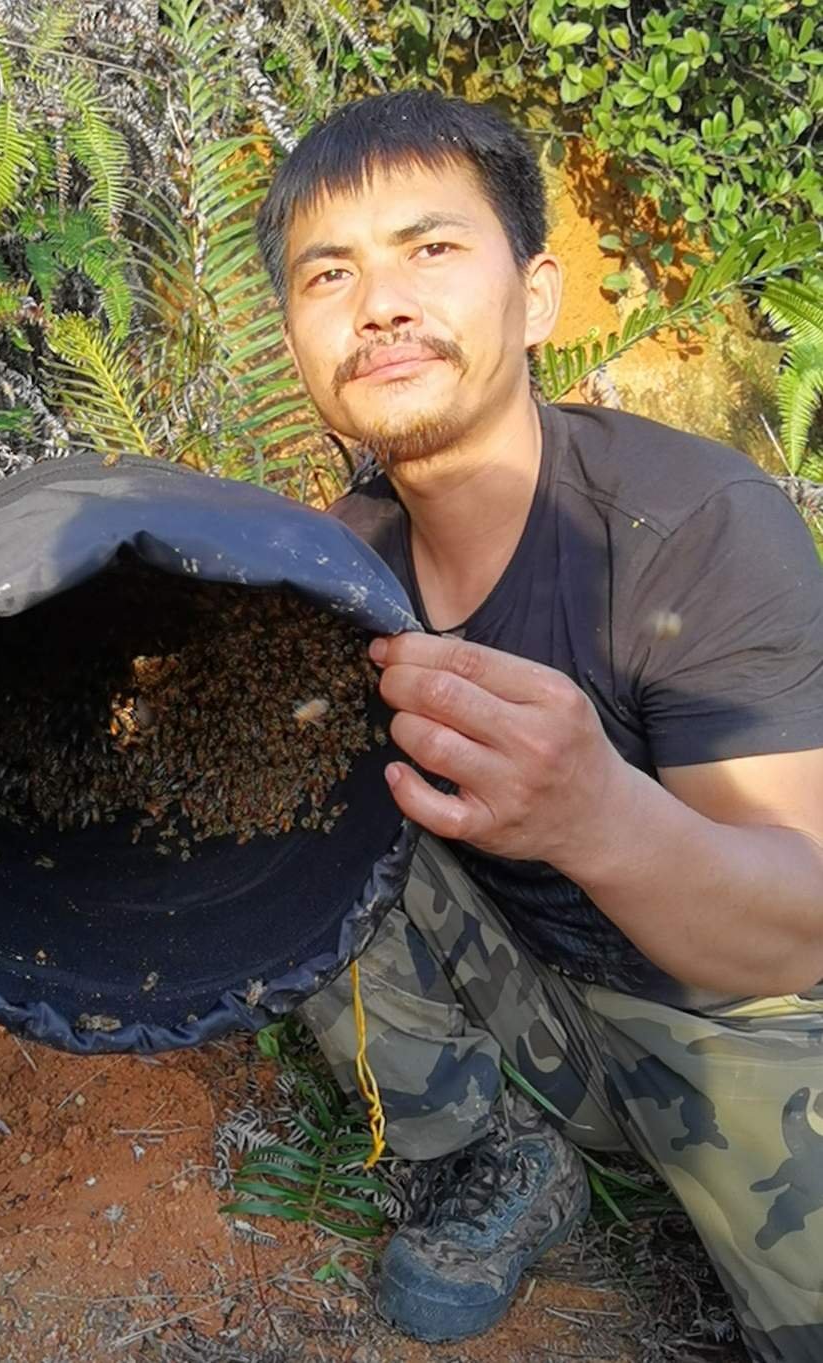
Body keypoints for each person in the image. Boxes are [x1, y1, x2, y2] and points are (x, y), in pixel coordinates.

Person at [254, 89, 823, 1363]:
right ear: (294, 333)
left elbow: (803, 916)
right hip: (522, 995)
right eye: (327, 273)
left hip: (740, 1017)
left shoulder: (693, 533)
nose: (381, 304)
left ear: (540, 292)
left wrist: (596, 810)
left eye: (432, 248)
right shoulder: (336, 568)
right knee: (286, 794)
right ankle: (491, 1150)